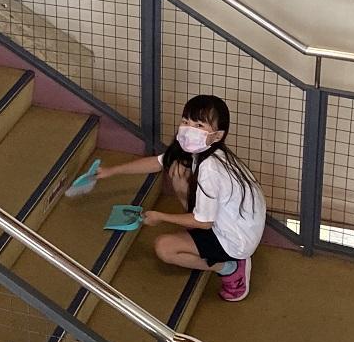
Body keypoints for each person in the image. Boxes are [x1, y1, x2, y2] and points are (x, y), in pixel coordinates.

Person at [97, 94, 266, 301]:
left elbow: (204, 223)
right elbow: (157, 162)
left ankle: (229, 267)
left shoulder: (210, 168)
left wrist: (161, 217)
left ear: (217, 135)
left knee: (165, 248)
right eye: (186, 121)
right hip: (239, 224)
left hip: (235, 241)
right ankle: (205, 241)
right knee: (177, 169)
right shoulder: (205, 151)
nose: (189, 129)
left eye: (199, 125)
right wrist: (111, 171)